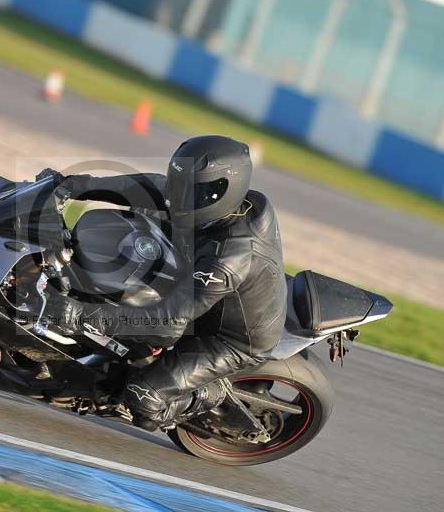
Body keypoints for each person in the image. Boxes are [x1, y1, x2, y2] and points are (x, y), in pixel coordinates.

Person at [39, 135, 287, 431]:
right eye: (178, 183)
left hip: (227, 338)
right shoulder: (211, 207)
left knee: (144, 400)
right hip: (195, 287)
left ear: (223, 190)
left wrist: (76, 315)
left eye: (192, 191)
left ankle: (213, 394)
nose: (178, 196)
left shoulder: (230, 257)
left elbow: (167, 324)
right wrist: (70, 185)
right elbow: (145, 187)